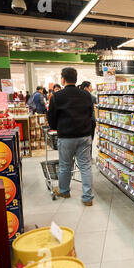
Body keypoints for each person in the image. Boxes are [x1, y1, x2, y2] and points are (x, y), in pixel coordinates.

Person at [47, 67, 94, 206]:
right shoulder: (86, 95)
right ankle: (87, 198)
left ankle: (64, 191)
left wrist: (57, 127)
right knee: (85, 166)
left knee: (65, 166)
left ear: (63, 79)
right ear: (76, 78)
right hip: (84, 135)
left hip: (66, 136)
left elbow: (51, 117)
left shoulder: (57, 96)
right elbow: (90, 115)